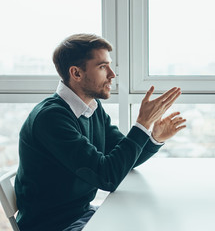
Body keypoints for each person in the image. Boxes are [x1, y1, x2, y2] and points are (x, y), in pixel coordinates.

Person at [14, 33, 186, 231]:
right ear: (76, 73)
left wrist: (154, 138)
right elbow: (109, 178)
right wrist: (142, 123)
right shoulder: (51, 118)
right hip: (54, 225)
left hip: (82, 214)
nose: (112, 74)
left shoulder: (91, 108)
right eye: (103, 66)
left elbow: (124, 162)